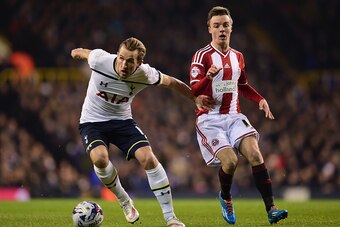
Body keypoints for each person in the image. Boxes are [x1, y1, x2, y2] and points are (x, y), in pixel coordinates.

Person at [71, 37, 213, 227]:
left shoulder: (146, 74)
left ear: (139, 63)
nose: (123, 64)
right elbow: (84, 52)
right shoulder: (99, 60)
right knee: (99, 159)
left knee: (148, 158)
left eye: (130, 61)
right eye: (121, 58)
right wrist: (76, 52)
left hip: (122, 122)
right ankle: (124, 200)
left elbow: (172, 82)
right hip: (92, 121)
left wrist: (194, 99)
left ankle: (171, 218)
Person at [189, 6, 288, 225]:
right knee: (231, 161)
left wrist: (260, 99)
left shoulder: (238, 57)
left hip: (234, 116)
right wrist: (207, 77)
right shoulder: (202, 56)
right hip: (210, 120)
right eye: (217, 26)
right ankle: (225, 197)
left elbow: (241, 85)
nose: (221, 29)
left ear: (231, 27)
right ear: (209, 29)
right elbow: (194, 90)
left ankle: (271, 209)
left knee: (255, 154)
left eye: (225, 25)